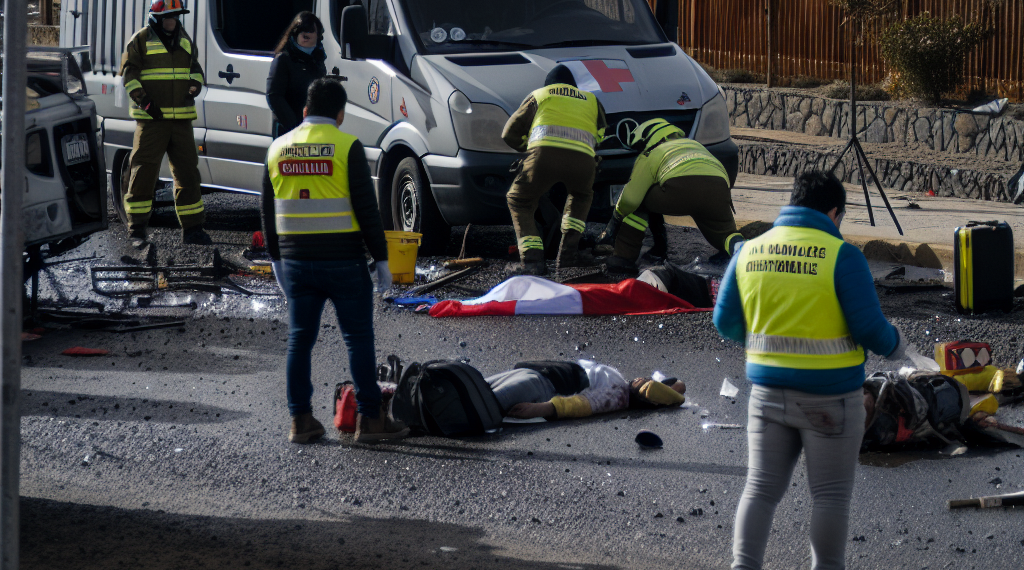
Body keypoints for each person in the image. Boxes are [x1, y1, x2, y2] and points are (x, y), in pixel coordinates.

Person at [712, 171, 907, 570]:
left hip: (767, 396)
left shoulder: (749, 251)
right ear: (834, 212)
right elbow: (870, 329)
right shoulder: (842, 256)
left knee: (760, 490)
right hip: (831, 401)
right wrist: (897, 344)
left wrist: (764, 343)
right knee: (830, 496)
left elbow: (725, 322)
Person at [262, 77, 407, 444]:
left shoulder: (277, 148)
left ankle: (301, 421)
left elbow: (266, 213)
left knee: (299, 341)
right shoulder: (346, 146)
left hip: (296, 264)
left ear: (305, 111)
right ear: (340, 115)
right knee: (358, 339)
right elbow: (367, 208)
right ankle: (370, 421)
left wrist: (277, 261)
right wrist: (382, 259)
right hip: (343, 262)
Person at [599, 118, 744, 275]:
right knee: (725, 233)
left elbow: (630, 198)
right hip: (719, 187)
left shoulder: (653, 153)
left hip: (678, 190)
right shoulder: (695, 145)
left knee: (639, 203)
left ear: (647, 139)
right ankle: (743, 250)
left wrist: (614, 222)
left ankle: (623, 258)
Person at [501, 64, 608, 275]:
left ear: (549, 84)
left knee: (519, 200)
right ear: (574, 86)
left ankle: (532, 262)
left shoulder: (540, 95)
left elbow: (508, 133)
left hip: (543, 158)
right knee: (580, 198)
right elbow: (602, 133)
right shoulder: (591, 99)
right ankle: (568, 257)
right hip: (584, 160)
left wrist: (527, 148)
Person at [120, 0, 211, 246]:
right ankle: (136, 229)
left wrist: (195, 84)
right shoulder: (139, 40)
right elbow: (129, 75)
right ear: (157, 19)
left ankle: (193, 229)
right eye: (168, 17)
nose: (172, 21)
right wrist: (144, 102)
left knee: (188, 173)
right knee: (143, 171)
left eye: (176, 17)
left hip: (180, 120)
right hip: (152, 120)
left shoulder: (184, 39)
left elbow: (196, 69)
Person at [486, 360, 686, 420]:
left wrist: (543, 409)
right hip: (532, 372)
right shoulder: (620, 383)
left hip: (542, 382)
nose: (642, 380)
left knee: (482, 404)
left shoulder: (620, 395)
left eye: (643, 387)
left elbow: (585, 405)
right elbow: (678, 384)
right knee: (474, 393)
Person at [266, 11, 327, 137]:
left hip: (313, 132)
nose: (305, 34)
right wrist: (295, 125)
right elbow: (274, 96)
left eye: (310, 30)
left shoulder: (318, 61)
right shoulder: (283, 59)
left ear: (318, 36)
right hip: (288, 133)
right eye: (301, 30)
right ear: (294, 33)